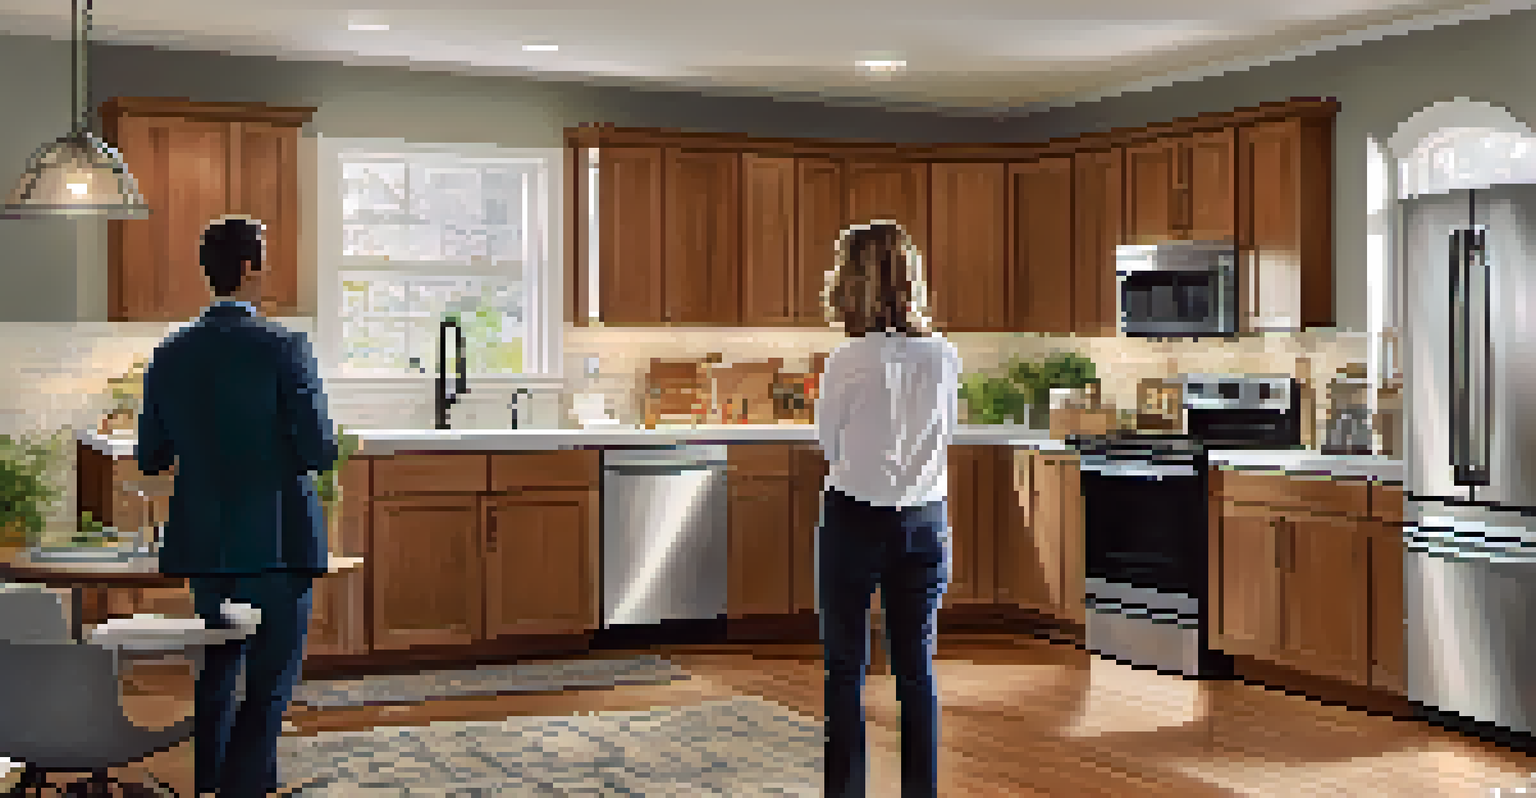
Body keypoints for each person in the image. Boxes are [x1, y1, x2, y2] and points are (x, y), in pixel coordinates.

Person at [137, 215, 338, 797]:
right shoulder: (285, 346)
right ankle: (243, 792)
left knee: (218, 672)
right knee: (270, 685)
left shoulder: (171, 352)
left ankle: (212, 788)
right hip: (279, 543)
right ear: (250, 267)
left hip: (206, 545)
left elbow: (151, 457)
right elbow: (319, 449)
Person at [815, 220, 961, 798]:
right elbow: (946, 432)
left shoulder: (848, 360)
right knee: (916, 671)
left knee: (846, 668)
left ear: (854, 282)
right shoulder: (944, 355)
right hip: (925, 525)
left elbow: (829, 445)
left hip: (855, 517)